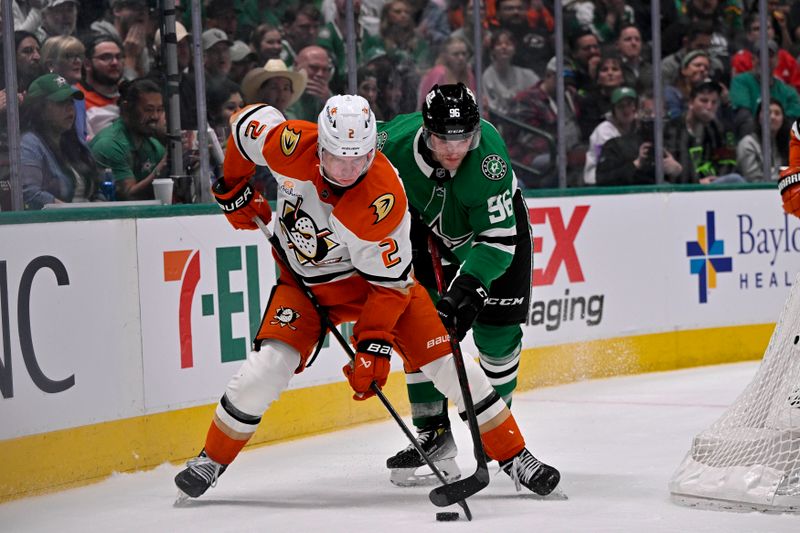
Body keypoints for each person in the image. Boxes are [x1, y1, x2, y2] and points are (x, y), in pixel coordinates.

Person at [173, 93, 561, 500]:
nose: (348, 170)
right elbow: (244, 124)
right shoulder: (290, 144)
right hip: (303, 288)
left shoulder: (383, 198)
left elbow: (389, 288)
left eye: (359, 159)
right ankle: (210, 459)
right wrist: (233, 185)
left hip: (375, 287)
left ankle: (514, 456)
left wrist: (372, 346)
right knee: (266, 369)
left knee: (448, 361)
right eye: (338, 158)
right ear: (320, 147)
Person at [375, 83, 538, 486]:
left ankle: (496, 438)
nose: (453, 150)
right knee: (419, 330)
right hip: (426, 233)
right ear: (426, 131)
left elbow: (496, 242)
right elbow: (342, 148)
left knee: (497, 337)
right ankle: (434, 434)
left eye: (463, 138)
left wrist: (468, 291)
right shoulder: (391, 143)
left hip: (494, 240)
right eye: (442, 139)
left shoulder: (488, 161)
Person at [21, 73, 101, 209]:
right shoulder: (29, 144)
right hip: (56, 220)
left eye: (71, 101)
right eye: (61, 102)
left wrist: (101, 210)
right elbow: (29, 193)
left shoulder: (75, 143)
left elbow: (97, 191)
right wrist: (71, 213)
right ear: (40, 109)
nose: (70, 108)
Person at [89, 78, 167, 200]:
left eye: (159, 110)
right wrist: (163, 167)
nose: (155, 116)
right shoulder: (110, 144)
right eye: (148, 110)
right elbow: (128, 195)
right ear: (127, 108)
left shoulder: (153, 145)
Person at [663, 78, 743, 184]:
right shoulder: (673, 129)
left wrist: (715, 179)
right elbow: (673, 169)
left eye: (714, 102)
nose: (709, 107)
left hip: (715, 186)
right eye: (704, 101)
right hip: (685, 188)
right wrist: (697, 182)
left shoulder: (722, 128)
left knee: (734, 179)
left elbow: (728, 163)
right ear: (691, 103)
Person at [596, 91, 684, 185]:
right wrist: (636, 164)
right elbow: (602, 180)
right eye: (648, 113)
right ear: (637, 114)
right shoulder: (616, 146)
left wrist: (678, 170)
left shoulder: (678, 145)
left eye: (658, 113)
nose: (653, 117)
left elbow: (693, 179)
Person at [583, 86, 638, 185]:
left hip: (624, 179)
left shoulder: (637, 127)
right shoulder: (603, 131)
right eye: (621, 106)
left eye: (629, 104)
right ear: (613, 110)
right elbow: (609, 165)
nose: (626, 110)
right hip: (597, 184)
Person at [482, 29, 539, 116]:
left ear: (514, 50)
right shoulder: (487, 76)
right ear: (492, 50)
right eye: (499, 44)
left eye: (508, 44)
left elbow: (540, 91)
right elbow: (489, 107)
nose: (504, 47)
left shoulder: (527, 75)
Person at [77, 35, 124, 139]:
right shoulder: (77, 97)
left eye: (118, 57)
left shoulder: (130, 92)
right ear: (87, 64)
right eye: (106, 57)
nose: (115, 62)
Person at [736, 99, 790, 182]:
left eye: (777, 113)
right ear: (759, 117)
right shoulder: (747, 144)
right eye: (768, 113)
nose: (772, 117)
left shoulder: (784, 144)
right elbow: (754, 179)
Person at [416, 35, 476, 110]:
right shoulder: (438, 73)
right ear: (445, 56)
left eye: (464, 54)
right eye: (455, 54)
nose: (461, 58)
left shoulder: (469, 75)